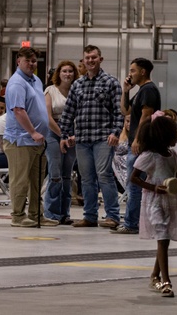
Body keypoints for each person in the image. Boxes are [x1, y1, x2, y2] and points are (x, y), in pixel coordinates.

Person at [59, 44, 124, 229]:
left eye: (94, 57)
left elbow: (119, 111)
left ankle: (112, 216)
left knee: (104, 175)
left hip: (103, 137)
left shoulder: (111, 82)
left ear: (100, 59)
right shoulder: (77, 85)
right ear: (83, 61)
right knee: (86, 179)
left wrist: (116, 132)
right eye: (87, 58)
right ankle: (89, 216)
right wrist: (64, 135)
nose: (90, 60)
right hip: (82, 139)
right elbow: (68, 112)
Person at [130, 112, 177, 298]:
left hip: (170, 200)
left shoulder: (171, 155)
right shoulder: (150, 156)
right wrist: (153, 187)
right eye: (173, 135)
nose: (176, 138)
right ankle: (166, 281)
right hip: (155, 202)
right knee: (163, 238)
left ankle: (154, 275)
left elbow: (172, 174)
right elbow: (134, 178)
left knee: (164, 240)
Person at [3, 47, 52, 228]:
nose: (31, 64)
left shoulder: (36, 80)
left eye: (34, 61)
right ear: (18, 61)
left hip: (37, 141)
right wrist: (32, 132)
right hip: (21, 140)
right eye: (28, 60)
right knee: (20, 181)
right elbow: (18, 110)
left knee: (36, 182)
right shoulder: (17, 83)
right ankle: (17, 216)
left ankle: (36, 215)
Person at [115, 57, 161, 235]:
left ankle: (131, 223)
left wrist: (138, 139)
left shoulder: (149, 90)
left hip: (141, 143)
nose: (130, 74)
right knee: (133, 183)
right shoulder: (141, 91)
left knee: (134, 183)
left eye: (133, 70)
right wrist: (125, 91)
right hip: (135, 142)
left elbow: (146, 116)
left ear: (143, 72)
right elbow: (125, 111)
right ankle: (133, 221)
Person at [44, 59, 78, 224]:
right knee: (55, 174)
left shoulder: (77, 91)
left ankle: (65, 213)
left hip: (72, 133)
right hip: (53, 132)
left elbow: (82, 115)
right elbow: (47, 117)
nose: (67, 74)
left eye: (70, 71)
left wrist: (74, 135)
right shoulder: (50, 90)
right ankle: (52, 212)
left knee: (67, 175)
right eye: (64, 71)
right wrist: (62, 134)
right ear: (59, 73)